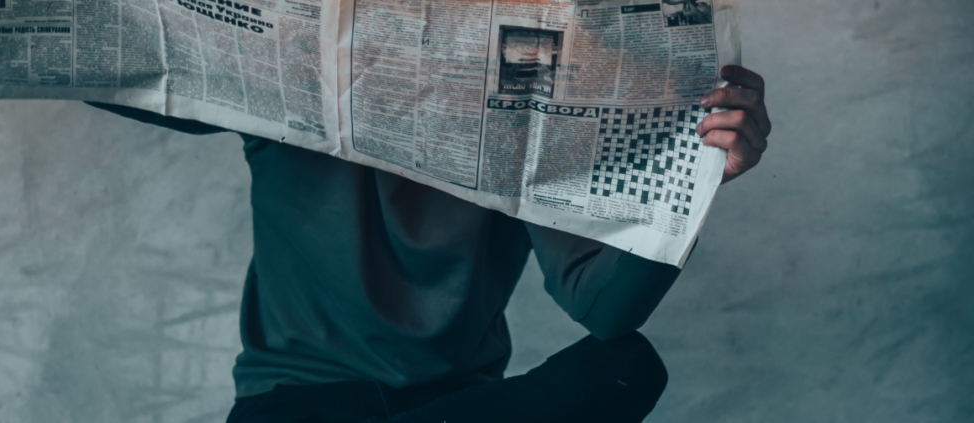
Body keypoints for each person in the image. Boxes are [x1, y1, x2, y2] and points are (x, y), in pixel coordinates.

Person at [88, 65, 771, 422]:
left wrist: (696, 178)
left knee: (630, 366)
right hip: (295, 406)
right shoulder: (285, 85)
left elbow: (606, 308)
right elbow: (127, 75)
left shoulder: (528, 114)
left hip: (461, 407)